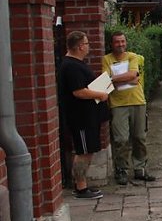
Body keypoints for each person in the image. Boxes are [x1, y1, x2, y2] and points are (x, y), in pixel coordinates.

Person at [57, 31, 109, 199]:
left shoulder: (76, 63)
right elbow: (79, 92)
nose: (88, 47)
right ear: (80, 46)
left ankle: (82, 184)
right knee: (83, 152)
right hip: (81, 118)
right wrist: (100, 94)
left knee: (88, 150)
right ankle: (80, 188)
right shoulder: (71, 66)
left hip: (87, 117)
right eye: (87, 44)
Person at [103, 31, 156, 185]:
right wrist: (124, 78)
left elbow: (133, 74)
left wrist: (114, 79)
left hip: (138, 101)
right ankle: (122, 170)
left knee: (140, 137)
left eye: (123, 41)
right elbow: (105, 81)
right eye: (117, 42)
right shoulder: (106, 59)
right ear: (111, 44)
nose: (120, 44)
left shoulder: (132, 56)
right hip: (118, 105)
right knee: (121, 139)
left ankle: (140, 169)